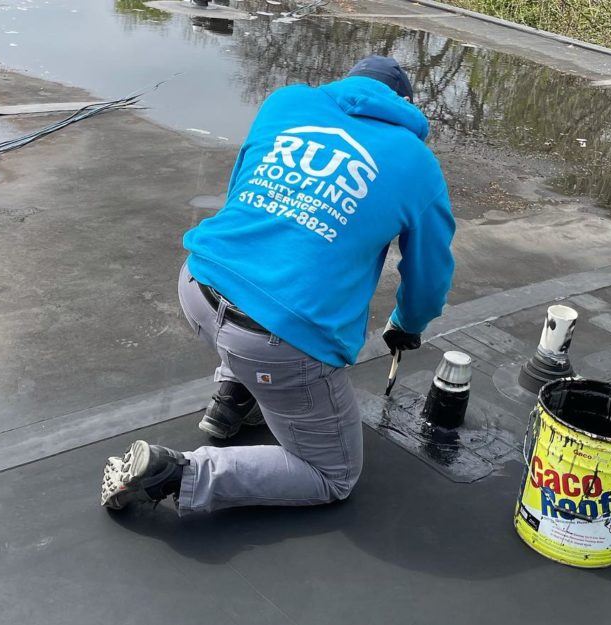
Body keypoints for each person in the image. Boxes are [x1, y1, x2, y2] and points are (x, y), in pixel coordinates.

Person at [100, 55, 455, 514]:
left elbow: (241, 193)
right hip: (279, 340)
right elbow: (429, 277)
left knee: (257, 296)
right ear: (404, 104)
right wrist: (407, 323)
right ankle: (178, 473)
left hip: (199, 284)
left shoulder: (286, 103)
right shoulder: (417, 165)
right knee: (332, 476)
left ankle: (233, 397)